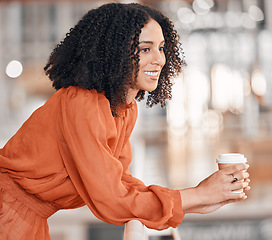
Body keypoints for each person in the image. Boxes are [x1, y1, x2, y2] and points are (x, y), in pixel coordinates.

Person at [0, 3, 250, 240]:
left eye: (162, 48)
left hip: (24, 218)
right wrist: (196, 195)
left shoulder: (124, 109)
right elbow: (111, 199)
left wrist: (199, 201)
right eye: (145, 49)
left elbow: (123, 183)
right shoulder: (81, 103)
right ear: (115, 52)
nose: (159, 59)